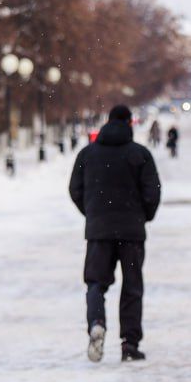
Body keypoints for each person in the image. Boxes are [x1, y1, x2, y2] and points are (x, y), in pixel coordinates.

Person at [68, 105, 161, 363]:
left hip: (99, 232)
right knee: (132, 286)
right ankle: (129, 343)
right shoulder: (139, 154)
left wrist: (92, 213)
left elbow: (75, 189)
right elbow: (152, 191)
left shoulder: (88, 154)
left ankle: (97, 322)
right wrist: (143, 215)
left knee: (95, 283)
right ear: (130, 123)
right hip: (132, 233)